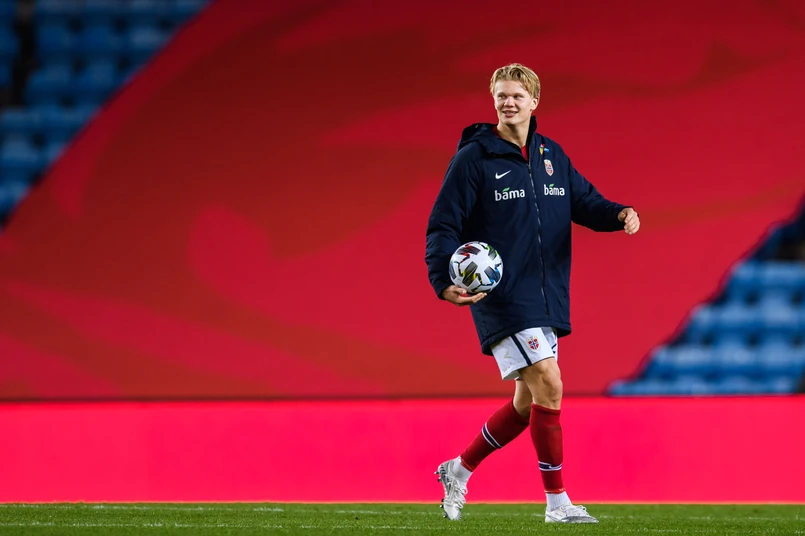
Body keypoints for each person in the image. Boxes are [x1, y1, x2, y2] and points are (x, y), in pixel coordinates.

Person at [424, 63, 640, 524]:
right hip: (502, 295)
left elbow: (585, 202)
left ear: (534, 101)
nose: (508, 102)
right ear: (493, 100)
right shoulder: (474, 159)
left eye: (517, 96)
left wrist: (619, 213)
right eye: (501, 95)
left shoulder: (550, 155)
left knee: (528, 402)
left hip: (547, 295)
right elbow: (443, 224)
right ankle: (557, 503)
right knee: (550, 381)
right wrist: (442, 281)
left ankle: (458, 470)